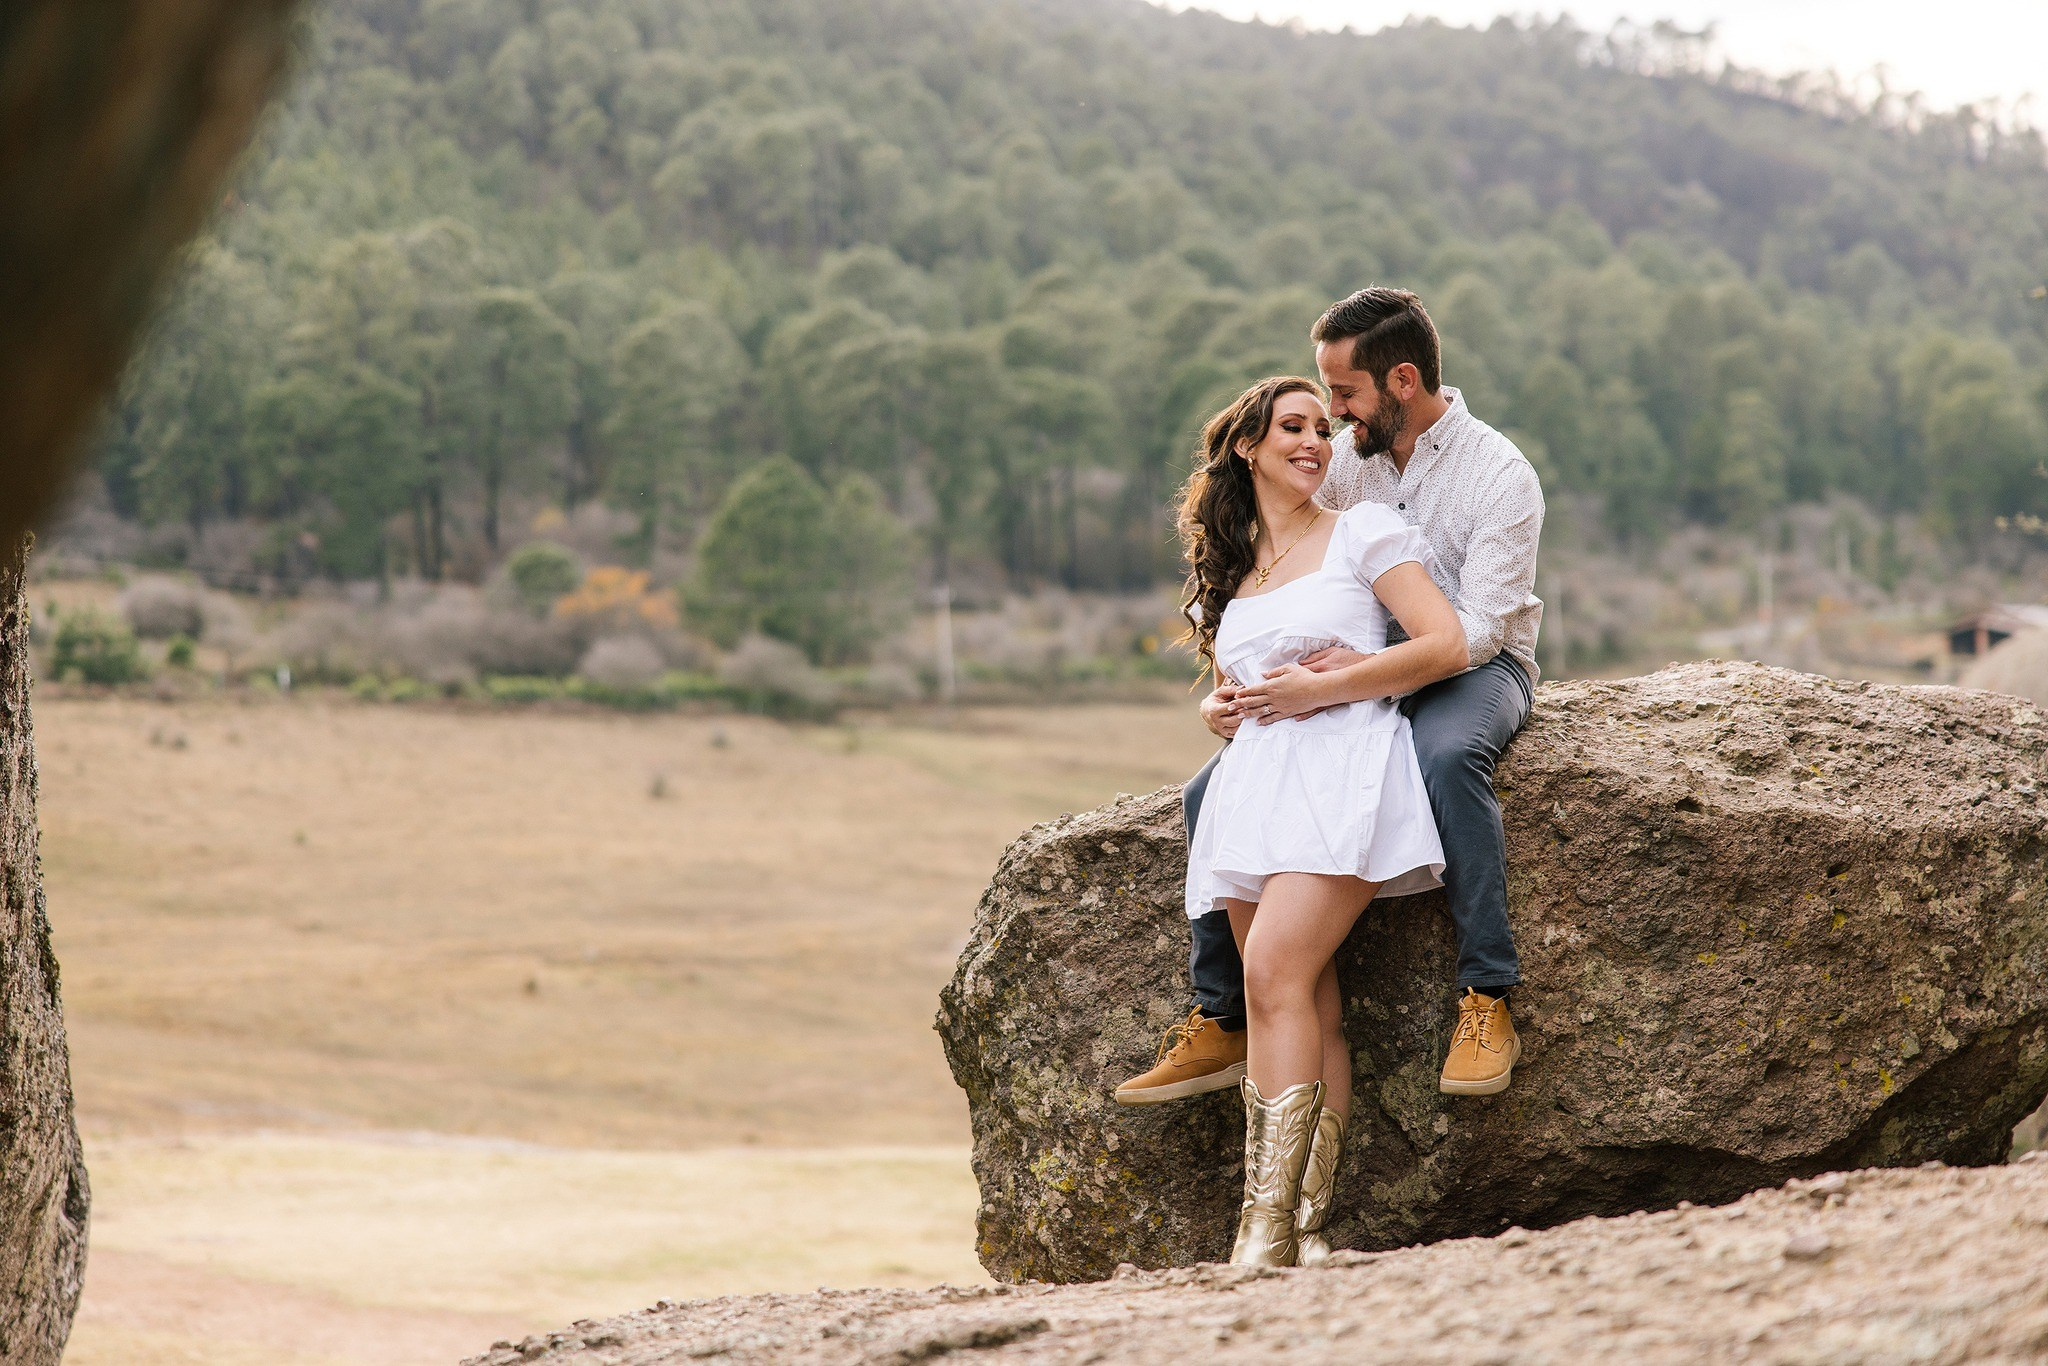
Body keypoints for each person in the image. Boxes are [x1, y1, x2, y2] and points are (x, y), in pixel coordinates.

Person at [1117, 286, 1543, 1114]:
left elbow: (1477, 631)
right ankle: (1224, 1013)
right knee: (1206, 792)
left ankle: (1487, 994)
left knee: (1447, 757)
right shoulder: (1346, 458)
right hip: (1359, 672)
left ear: (1403, 381)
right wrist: (1238, 697)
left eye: (1345, 394)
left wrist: (1355, 675)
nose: (1333, 416)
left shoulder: (1500, 473)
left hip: (1473, 666)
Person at [1163, 374, 1470, 1268]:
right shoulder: (1236, 571)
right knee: (1304, 1001)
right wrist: (1218, 710)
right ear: (1247, 447)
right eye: (1291, 427)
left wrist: (1322, 689)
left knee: (1272, 971)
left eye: (1321, 428)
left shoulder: (1362, 531)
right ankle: (1304, 1229)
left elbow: (1444, 643)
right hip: (1257, 784)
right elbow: (1243, 687)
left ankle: (1258, 1234)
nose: (1313, 442)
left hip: (1343, 766)